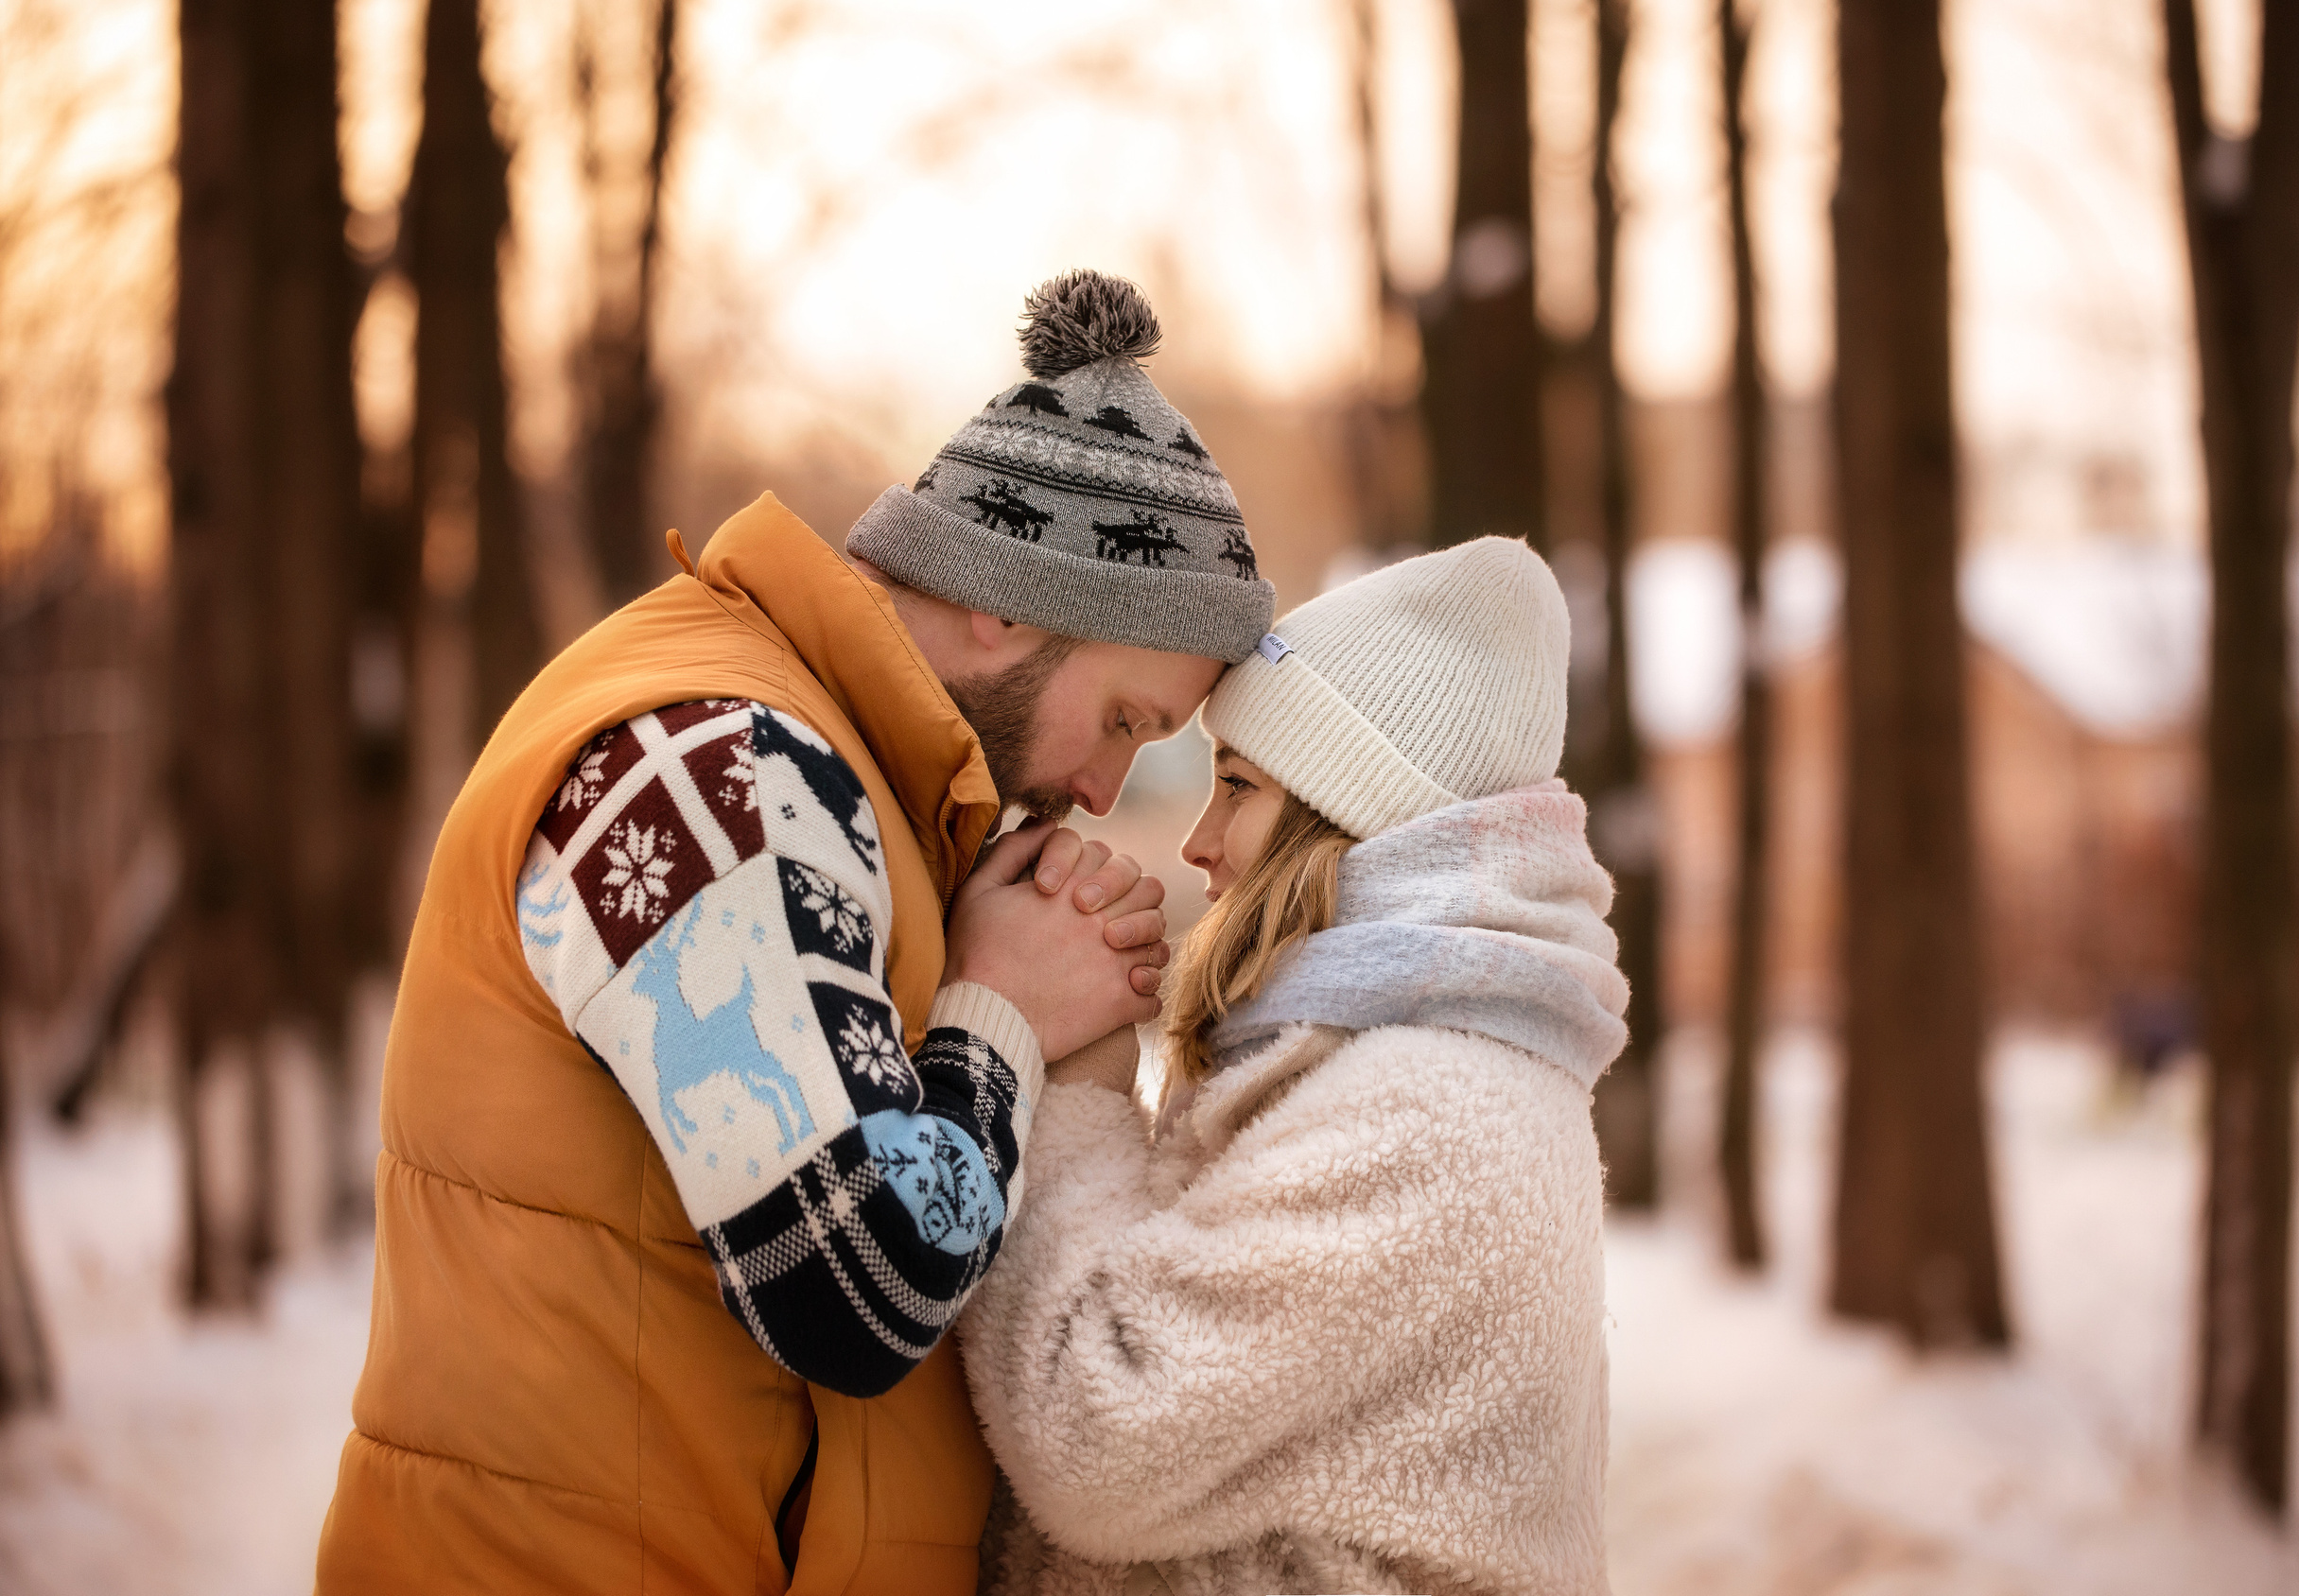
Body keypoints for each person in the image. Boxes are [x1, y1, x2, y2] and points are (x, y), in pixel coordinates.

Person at [315, 272, 1274, 1594]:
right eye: (1122, 721)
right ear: (1002, 603)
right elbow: (855, 1279)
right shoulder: (714, 770)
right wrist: (999, 1013)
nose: (1109, 794)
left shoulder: (852, 790)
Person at [963, 537, 1629, 1596]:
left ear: (1345, 819)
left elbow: (1103, 1432)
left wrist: (1072, 1081)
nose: (1198, 840)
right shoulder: (1383, 1063)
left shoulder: (1425, 1108)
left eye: (1237, 786)